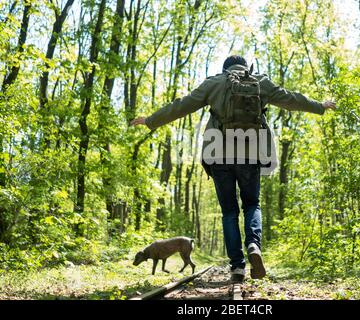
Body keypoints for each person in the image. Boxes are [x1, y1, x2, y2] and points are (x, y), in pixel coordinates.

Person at [131, 55, 336, 283]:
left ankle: (237, 267)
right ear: (245, 67)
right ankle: (253, 245)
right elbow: (290, 99)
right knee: (252, 204)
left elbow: (181, 106)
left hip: (218, 155)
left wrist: (150, 120)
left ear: (225, 68)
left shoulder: (214, 83)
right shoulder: (260, 81)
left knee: (229, 212)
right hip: (250, 155)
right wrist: (320, 106)